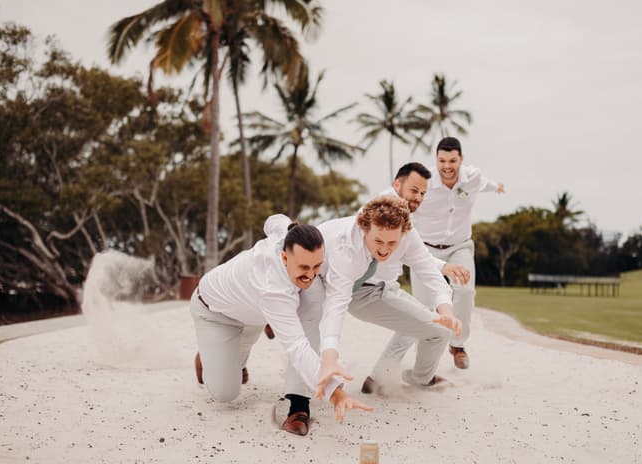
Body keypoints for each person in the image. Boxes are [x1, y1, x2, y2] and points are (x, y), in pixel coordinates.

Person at [190, 214, 371, 436]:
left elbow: (272, 220)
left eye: (317, 266)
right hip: (215, 314)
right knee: (225, 393)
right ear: (284, 258)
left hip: (254, 312)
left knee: (314, 294)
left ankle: (298, 404)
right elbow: (297, 348)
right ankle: (208, 355)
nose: (311, 275)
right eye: (304, 267)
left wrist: (288, 226)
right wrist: (336, 393)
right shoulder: (273, 290)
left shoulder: (285, 235)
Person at [308, 194, 462, 407]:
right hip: (316, 283)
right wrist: (331, 357)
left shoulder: (408, 235)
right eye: (378, 241)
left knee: (440, 330)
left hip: (375, 288)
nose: (384, 249)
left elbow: (430, 273)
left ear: (404, 233)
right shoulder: (346, 248)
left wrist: (446, 312)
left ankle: (403, 379)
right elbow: (336, 306)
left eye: (392, 243)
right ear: (365, 229)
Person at [383, 137, 505, 371]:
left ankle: (457, 345)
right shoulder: (425, 181)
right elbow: (398, 190)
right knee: (421, 307)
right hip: (425, 249)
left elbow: (484, 183)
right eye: (442, 160)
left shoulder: (473, 177)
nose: (447, 166)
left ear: (461, 160)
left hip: (459, 247)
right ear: (436, 160)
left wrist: (497, 187)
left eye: (452, 161)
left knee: (465, 291)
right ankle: (404, 365)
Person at [360, 162, 469, 393]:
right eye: (414, 190)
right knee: (436, 331)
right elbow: (415, 253)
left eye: (422, 193)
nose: (418, 197)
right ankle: (421, 378)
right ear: (396, 184)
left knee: (415, 320)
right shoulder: (384, 213)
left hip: (384, 288)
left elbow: (416, 254)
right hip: (369, 290)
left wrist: (444, 267)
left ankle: (377, 378)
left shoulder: (397, 214)